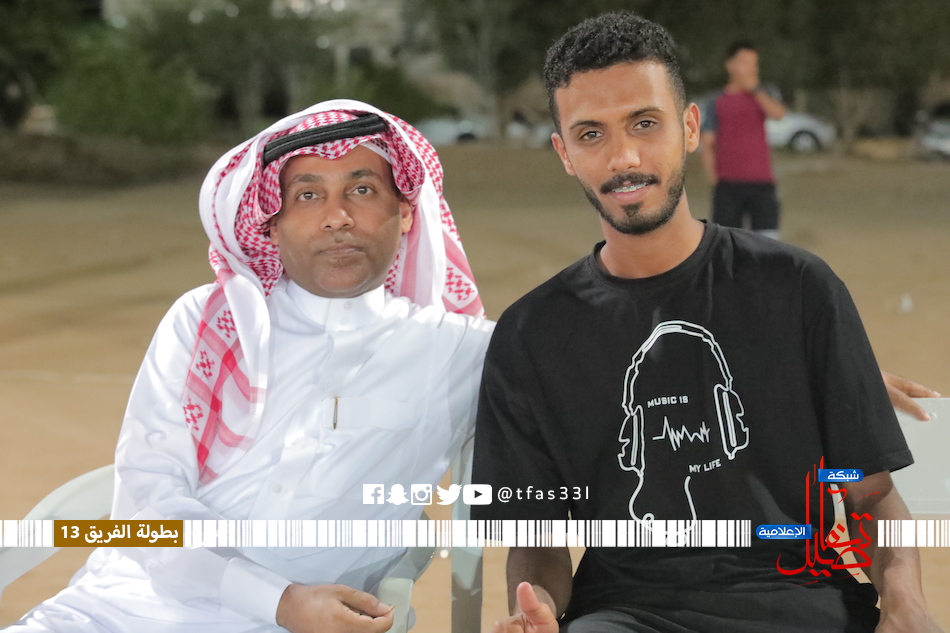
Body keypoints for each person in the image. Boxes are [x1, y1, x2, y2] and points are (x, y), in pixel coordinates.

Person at [471, 13, 944, 633]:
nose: (624, 157)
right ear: (564, 153)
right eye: (591, 134)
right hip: (625, 614)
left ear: (690, 127)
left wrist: (906, 602)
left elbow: (871, 495)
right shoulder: (531, 334)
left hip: (801, 605)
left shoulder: (799, 288)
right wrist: (533, 612)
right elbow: (537, 543)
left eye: (645, 123)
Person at [6, 99, 493, 633]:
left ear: (406, 212)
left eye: (361, 190)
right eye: (308, 195)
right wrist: (280, 600)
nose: (337, 216)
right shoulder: (206, 321)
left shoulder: (463, 352)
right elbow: (149, 499)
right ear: (271, 226)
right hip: (109, 611)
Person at [700, 40, 785, 239]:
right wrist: (713, 177)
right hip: (728, 185)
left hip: (762, 183)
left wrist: (756, 90)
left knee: (768, 242)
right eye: (745, 63)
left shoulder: (764, 95)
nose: (751, 69)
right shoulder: (716, 101)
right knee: (726, 242)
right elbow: (707, 142)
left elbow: (778, 114)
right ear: (730, 65)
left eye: (754, 64)